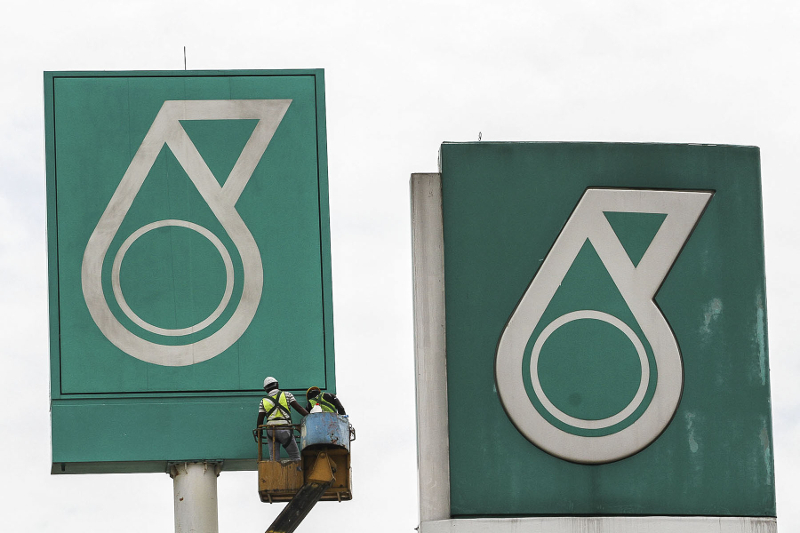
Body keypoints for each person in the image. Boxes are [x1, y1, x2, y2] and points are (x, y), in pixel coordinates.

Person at [257, 376, 309, 461]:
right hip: (285, 429)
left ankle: (274, 469)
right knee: (295, 456)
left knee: (274, 459)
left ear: (265, 389)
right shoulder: (287, 395)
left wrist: (259, 432)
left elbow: (260, 419)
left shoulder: (263, 401)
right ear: (277, 385)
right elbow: (299, 408)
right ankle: (297, 469)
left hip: (270, 430)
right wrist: (311, 417)